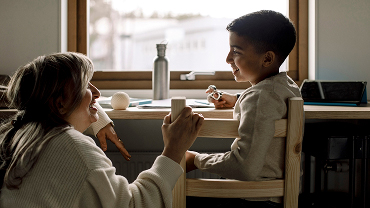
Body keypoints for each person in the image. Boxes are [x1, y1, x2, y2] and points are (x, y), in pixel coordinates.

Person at [0, 52, 204, 207]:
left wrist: (97, 118)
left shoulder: (19, 135)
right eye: (86, 85)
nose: (97, 93)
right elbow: (134, 205)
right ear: (59, 103)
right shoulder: (71, 147)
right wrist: (173, 152)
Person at [186, 10, 302, 208]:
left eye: (236, 52)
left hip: (252, 199)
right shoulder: (286, 86)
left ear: (267, 59)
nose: (228, 58)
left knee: (167, 195)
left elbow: (245, 167)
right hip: (274, 197)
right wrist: (238, 99)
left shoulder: (259, 97)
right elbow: (266, 104)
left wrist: (196, 159)